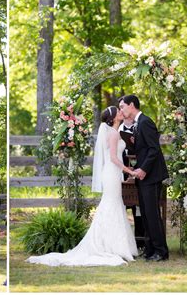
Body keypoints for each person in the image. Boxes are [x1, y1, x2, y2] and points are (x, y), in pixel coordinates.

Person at [27, 106, 138, 267]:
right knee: (111, 205)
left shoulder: (115, 132)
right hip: (111, 173)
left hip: (112, 173)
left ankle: (113, 245)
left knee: (113, 205)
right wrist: (130, 171)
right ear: (113, 118)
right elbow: (113, 158)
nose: (121, 112)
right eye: (118, 112)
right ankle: (110, 246)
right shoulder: (113, 134)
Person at [119, 95, 169, 262]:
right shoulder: (137, 125)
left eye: (122, 107)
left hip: (151, 175)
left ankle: (161, 252)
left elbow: (154, 150)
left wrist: (143, 169)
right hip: (143, 176)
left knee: (152, 214)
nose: (121, 110)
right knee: (145, 215)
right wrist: (133, 143)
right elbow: (143, 149)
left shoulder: (146, 122)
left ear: (131, 105)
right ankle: (150, 249)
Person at [118, 112, 145, 251]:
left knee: (138, 208)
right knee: (120, 209)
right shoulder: (117, 129)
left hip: (138, 172)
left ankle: (140, 241)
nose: (122, 111)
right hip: (120, 175)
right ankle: (121, 243)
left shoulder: (139, 126)